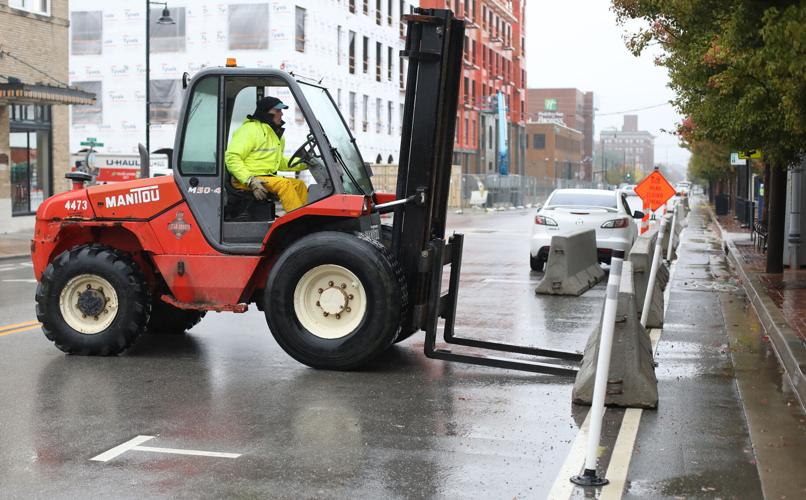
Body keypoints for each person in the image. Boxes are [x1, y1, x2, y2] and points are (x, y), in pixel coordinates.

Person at [225, 96, 309, 212]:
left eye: (281, 111)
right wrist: (250, 180)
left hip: (265, 177)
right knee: (284, 184)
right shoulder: (250, 130)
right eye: (278, 111)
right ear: (266, 113)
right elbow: (232, 157)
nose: (282, 114)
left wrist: (306, 163)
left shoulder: (275, 135)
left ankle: (307, 218)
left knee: (299, 185)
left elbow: (279, 162)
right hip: (245, 179)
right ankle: (297, 224)